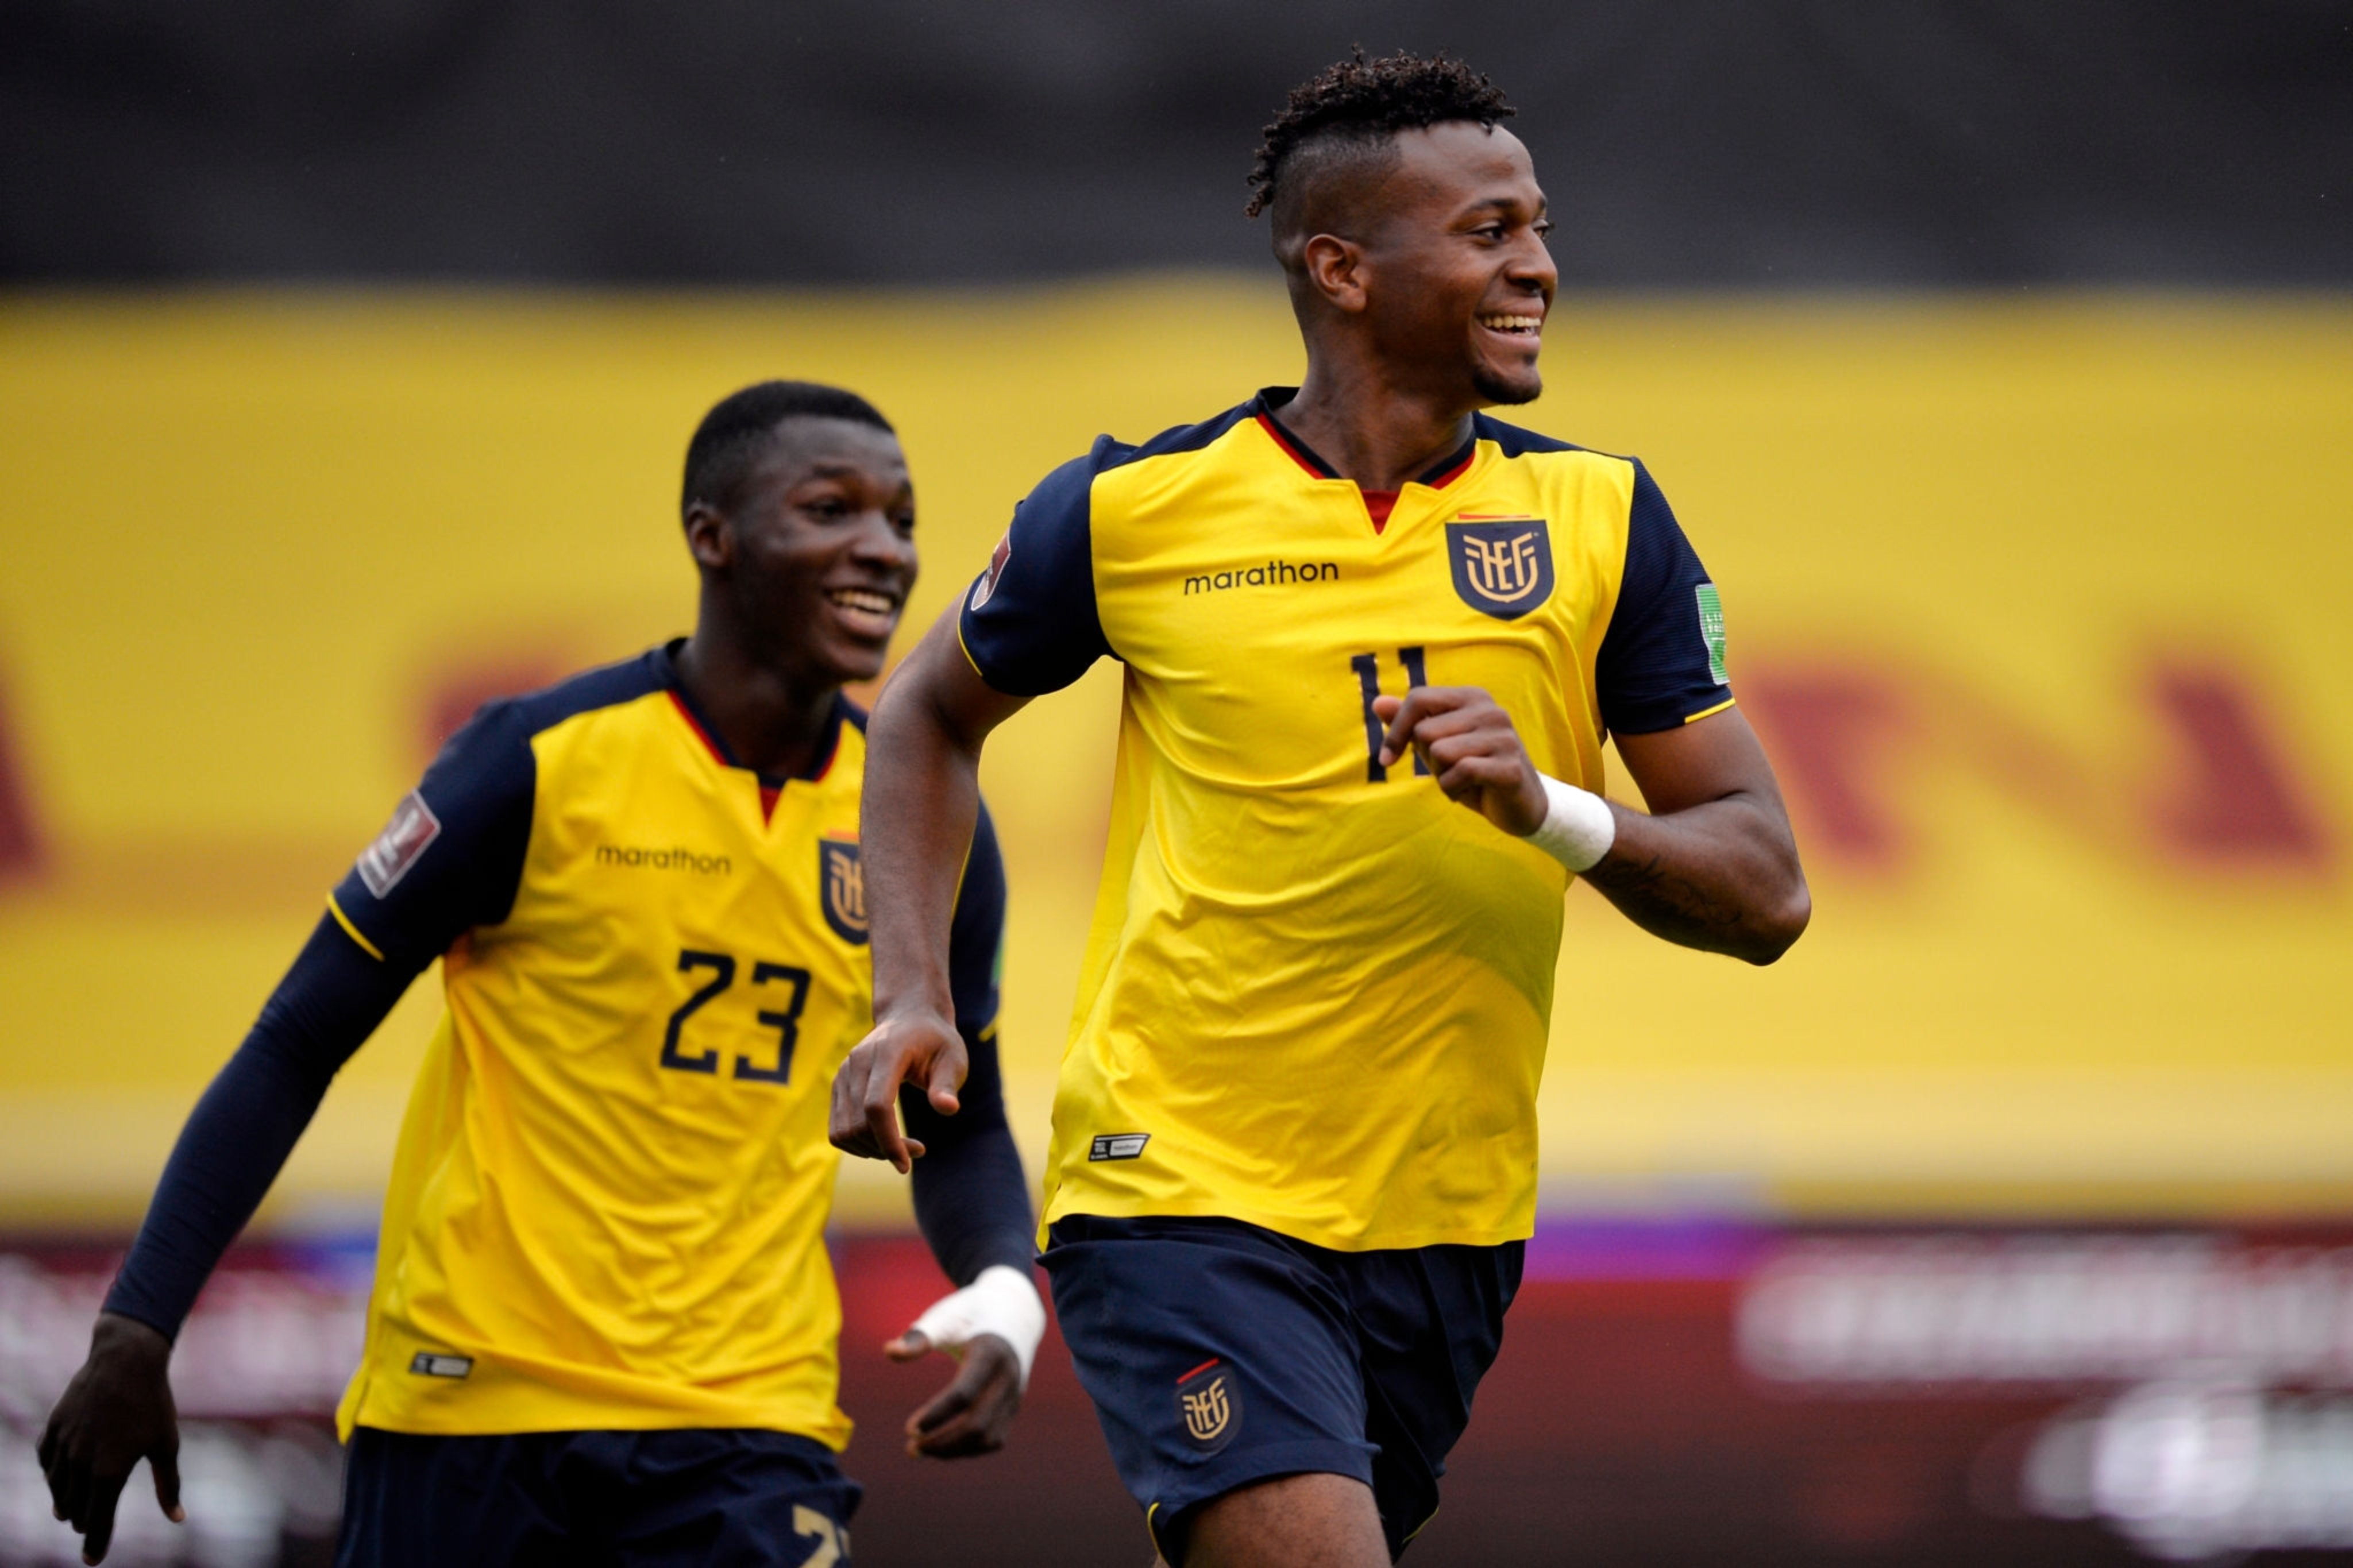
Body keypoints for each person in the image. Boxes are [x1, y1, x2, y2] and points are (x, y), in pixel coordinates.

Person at [830, 51, 1810, 1568]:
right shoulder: (1132, 511)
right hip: (1176, 1191)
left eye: (1539, 228)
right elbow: (922, 713)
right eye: (1488, 231)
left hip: (1447, 1222)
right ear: (1341, 269)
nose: (1538, 267)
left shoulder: (1603, 518)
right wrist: (911, 994)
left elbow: (1766, 892)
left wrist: (1551, 808)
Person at [39, 380, 1046, 1566]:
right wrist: (138, 1327)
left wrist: (1003, 1284)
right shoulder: (533, 761)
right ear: (712, 536)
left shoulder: (926, 818)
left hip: (744, 1421)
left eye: (902, 520)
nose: (883, 549)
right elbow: (296, 1042)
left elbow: (960, 1111)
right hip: (473, 1404)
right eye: (832, 509)